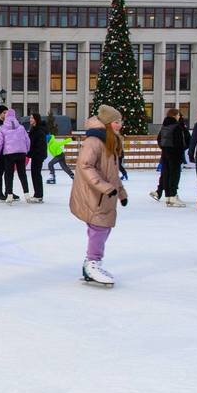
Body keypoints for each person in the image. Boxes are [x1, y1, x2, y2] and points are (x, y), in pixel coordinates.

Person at [69, 105, 128, 287]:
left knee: (103, 228)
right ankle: (92, 263)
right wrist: (104, 187)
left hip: (105, 194)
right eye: (116, 122)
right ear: (108, 123)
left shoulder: (111, 141)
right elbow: (85, 166)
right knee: (99, 228)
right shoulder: (94, 141)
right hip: (94, 194)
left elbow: (112, 172)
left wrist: (121, 193)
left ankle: (92, 263)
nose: (120, 125)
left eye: (120, 122)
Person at [151, 108, 190, 207]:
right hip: (175, 153)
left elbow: (159, 139)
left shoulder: (164, 126)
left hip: (165, 153)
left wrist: (164, 148)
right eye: (178, 115)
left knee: (167, 174)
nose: (179, 117)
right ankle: (172, 197)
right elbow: (183, 140)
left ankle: (168, 197)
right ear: (174, 116)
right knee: (174, 175)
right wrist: (182, 148)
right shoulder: (177, 127)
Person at [0, 108, 31, 204]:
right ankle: (26, 194)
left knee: (9, 174)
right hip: (21, 153)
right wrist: (26, 150)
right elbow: (27, 140)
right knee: (22, 174)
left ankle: (9, 195)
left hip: (9, 154)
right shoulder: (21, 127)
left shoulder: (3, 128)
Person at [27, 113, 48, 203]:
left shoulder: (39, 130)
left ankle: (39, 195)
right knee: (35, 174)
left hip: (38, 156)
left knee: (36, 175)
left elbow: (40, 145)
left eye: (32, 118)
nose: (30, 119)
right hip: (36, 155)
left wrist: (32, 153)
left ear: (36, 119)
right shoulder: (34, 129)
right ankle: (37, 194)